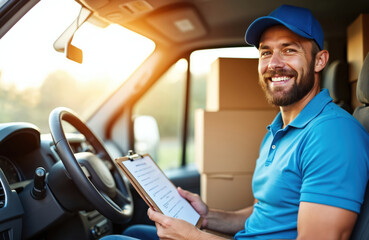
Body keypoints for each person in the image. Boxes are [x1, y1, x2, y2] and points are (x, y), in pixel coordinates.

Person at [102, 4, 369, 240]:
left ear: (319, 61)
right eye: (266, 52)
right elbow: (265, 214)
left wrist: (194, 238)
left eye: (289, 50)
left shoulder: (333, 135)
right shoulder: (280, 128)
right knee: (133, 233)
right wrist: (206, 218)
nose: (274, 64)